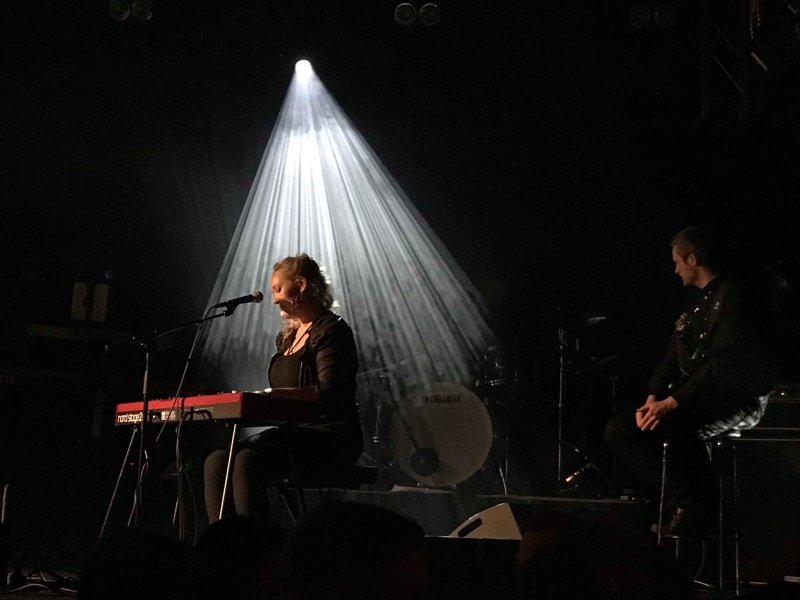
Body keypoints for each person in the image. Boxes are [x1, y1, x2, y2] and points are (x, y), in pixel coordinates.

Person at [604, 226, 774, 537]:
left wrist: (673, 402)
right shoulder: (693, 303)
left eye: (677, 262)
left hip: (734, 396)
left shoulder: (733, 295)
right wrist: (654, 397)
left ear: (692, 259)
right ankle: (683, 498)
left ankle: (698, 507)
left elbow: (722, 362)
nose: (675, 269)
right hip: (694, 395)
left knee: (673, 423)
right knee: (621, 430)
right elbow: (672, 356)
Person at [204, 253, 363, 524]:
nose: (275, 298)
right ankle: (225, 550)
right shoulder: (287, 337)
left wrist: (267, 397)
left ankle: (261, 553)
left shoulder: (331, 331)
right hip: (294, 434)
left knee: (246, 462)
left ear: (301, 285)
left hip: (330, 437)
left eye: (278, 289)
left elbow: (330, 394)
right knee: (217, 462)